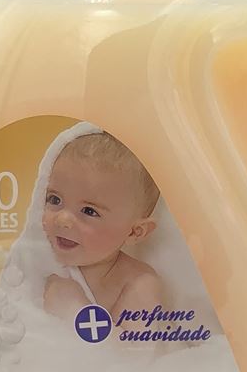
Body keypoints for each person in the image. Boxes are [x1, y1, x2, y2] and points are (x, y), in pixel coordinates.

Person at [41, 130, 163, 322]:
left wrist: (76, 309)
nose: (62, 219)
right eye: (54, 199)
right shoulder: (35, 259)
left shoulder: (137, 282)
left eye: (89, 211)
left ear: (134, 232)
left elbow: (138, 342)